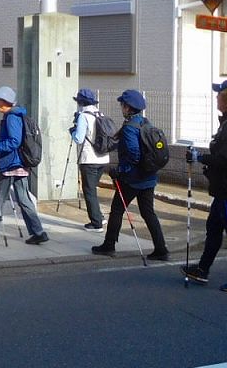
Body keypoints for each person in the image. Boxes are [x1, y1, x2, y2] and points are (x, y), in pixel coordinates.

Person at [182, 79, 227, 292]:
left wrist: (200, 157)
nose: (216, 97)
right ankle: (202, 269)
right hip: (226, 190)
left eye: (219, 94)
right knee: (214, 228)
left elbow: (225, 160)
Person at [92, 89, 169, 261]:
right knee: (148, 212)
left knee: (117, 210)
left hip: (133, 179)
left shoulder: (129, 128)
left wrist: (120, 171)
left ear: (127, 107)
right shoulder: (145, 123)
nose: (121, 107)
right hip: (149, 177)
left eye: (122, 105)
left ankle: (109, 245)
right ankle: (161, 249)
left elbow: (133, 154)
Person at [0, 85, 49, 245]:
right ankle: (38, 232)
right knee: (24, 199)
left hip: (10, 164)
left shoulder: (11, 117)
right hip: (20, 164)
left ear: (5, 101)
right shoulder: (18, 115)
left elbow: (14, 141)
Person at [70, 88, 111, 231]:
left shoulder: (83, 116)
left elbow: (78, 138)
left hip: (89, 158)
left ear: (80, 102)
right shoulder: (100, 113)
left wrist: (72, 131)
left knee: (89, 190)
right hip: (103, 157)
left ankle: (96, 223)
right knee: (92, 189)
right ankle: (99, 217)